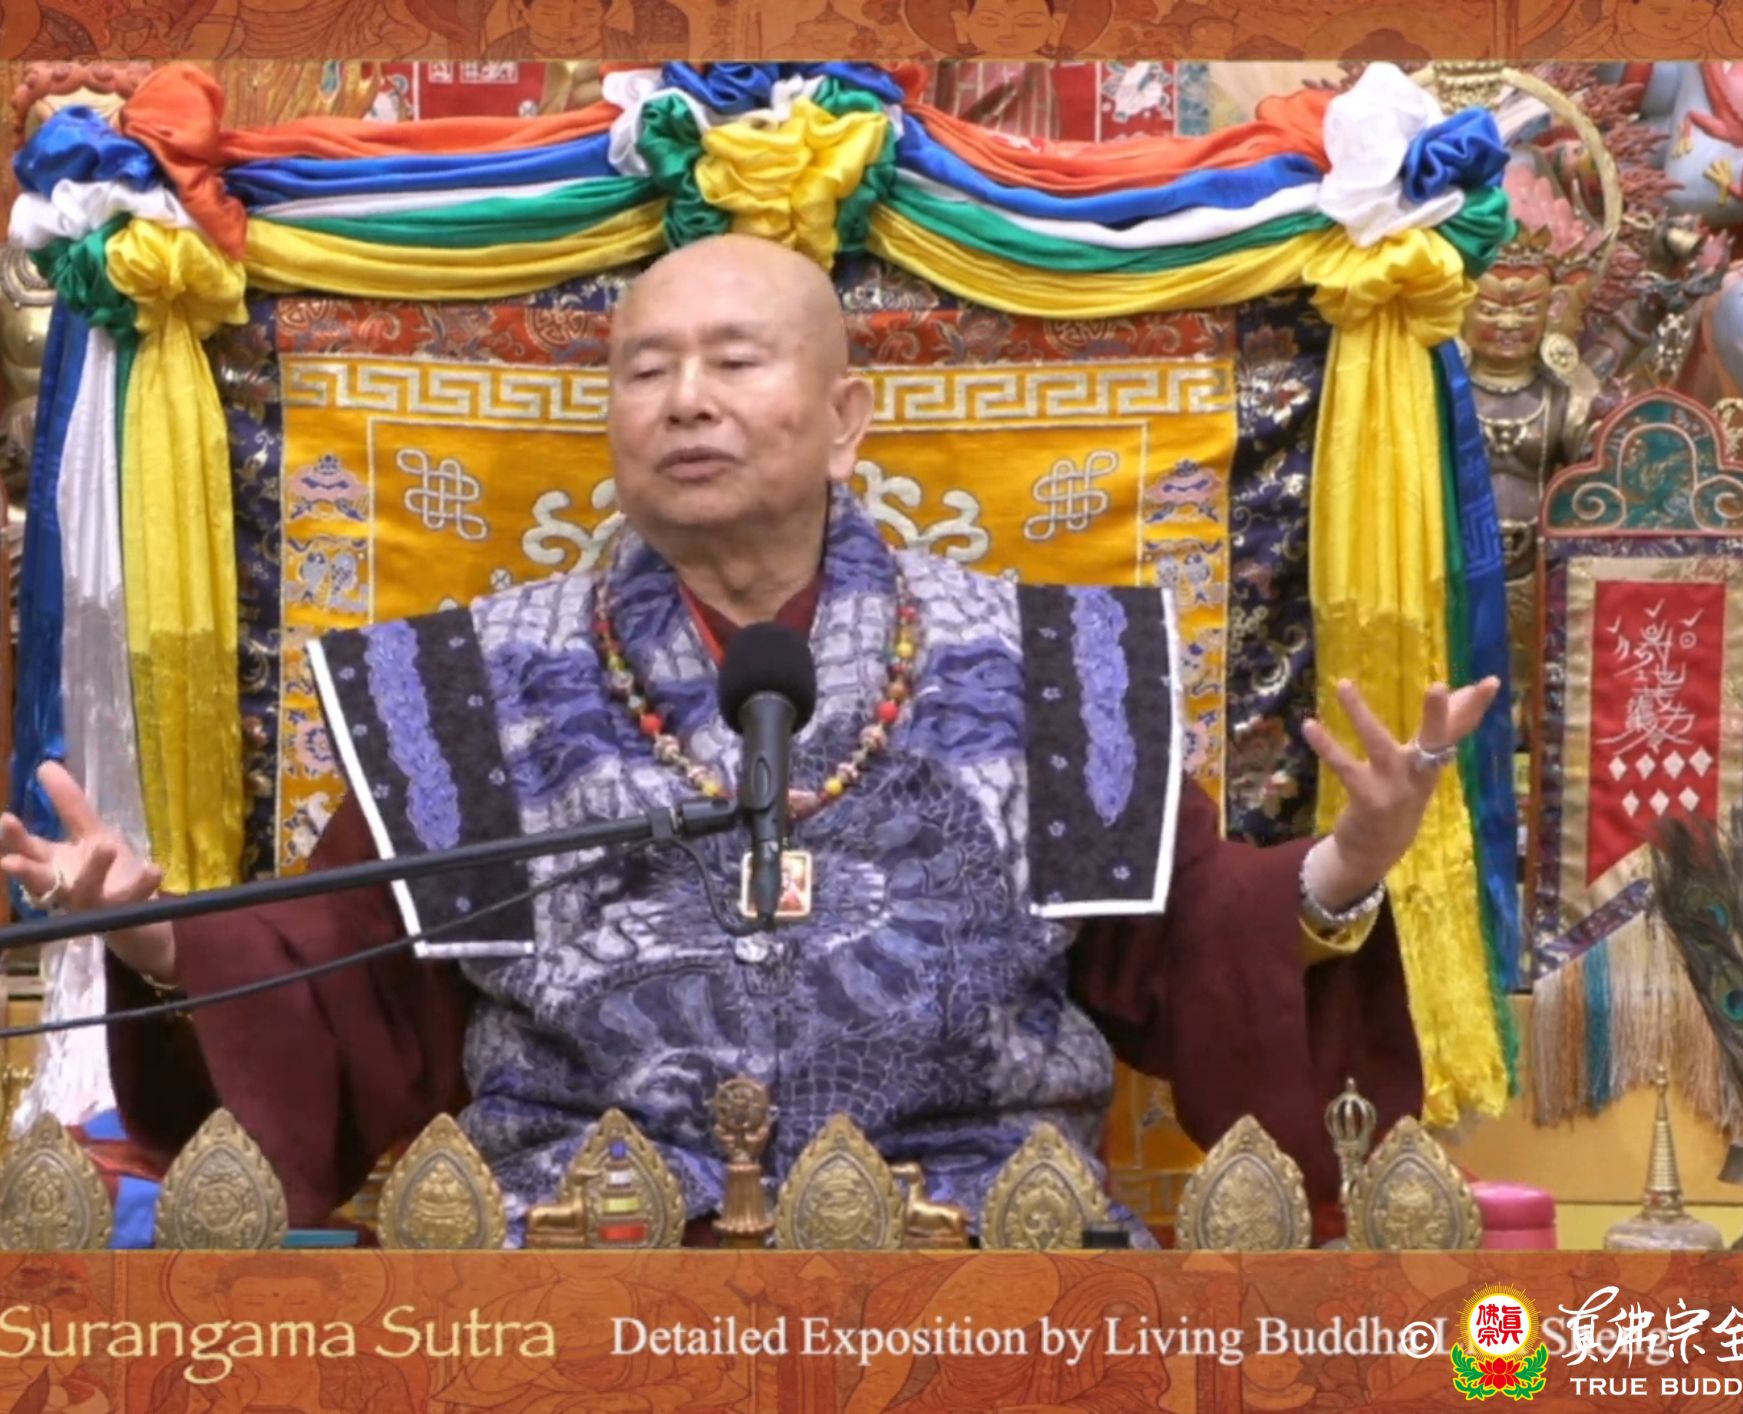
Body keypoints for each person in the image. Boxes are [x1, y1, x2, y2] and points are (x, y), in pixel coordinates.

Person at [0, 234, 1499, 1244]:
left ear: (846, 417)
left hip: (980, 1245)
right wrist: (159, 938)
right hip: (574, 1250)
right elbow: (339, 973)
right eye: (645, 370)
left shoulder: (1053, 660)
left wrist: (1340, 871)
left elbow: (1180, 940)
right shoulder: (465, 682)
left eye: (733, 362)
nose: (685, 402)